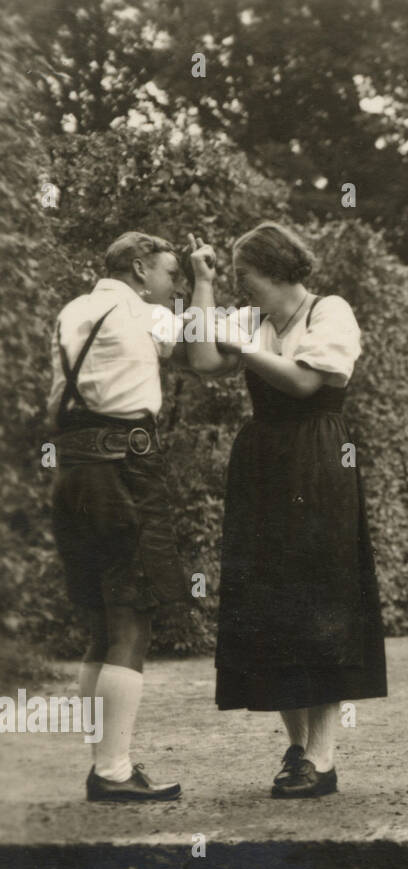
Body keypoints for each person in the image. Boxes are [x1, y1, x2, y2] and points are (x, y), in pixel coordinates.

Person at [188, 221, 387, 798]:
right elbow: (203, 359)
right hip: (262, 461)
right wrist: (201, 284)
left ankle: (322, 756)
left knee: (320, 598)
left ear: (274, 269)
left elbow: (304, 383)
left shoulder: (330, 311)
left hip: (318, 458)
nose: (237, 284)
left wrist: (246, 349)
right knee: (270, 602)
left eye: (240, 273)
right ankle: (298, 747)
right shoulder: (252, 320)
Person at [50, 230, 217, 801]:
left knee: (101, 623)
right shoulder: (141, 314)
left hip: (71, 470)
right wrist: (207, 281)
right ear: (141, 269)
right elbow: (201, 351)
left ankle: (105, 765)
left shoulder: (73, 310)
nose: (175, 289)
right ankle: (114, 772)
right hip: (125, 470)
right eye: (172, 276)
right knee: (132, 619)